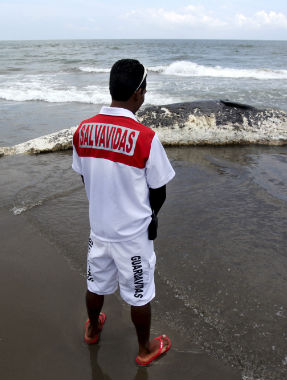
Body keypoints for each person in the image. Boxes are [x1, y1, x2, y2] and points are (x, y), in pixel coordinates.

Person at [72, 59, 175, 366]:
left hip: (99, 229)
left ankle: (92, 328)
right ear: (138, 94)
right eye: (144, 90)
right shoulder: (145, 137)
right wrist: (151, 216)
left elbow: (84, 176)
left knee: (95, 283)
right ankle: (145, 350)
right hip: (132, 235)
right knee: (140, 294)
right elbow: (159, 190)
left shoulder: (83, 130)